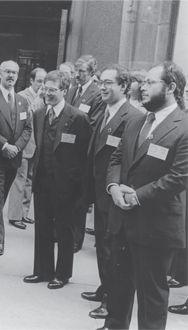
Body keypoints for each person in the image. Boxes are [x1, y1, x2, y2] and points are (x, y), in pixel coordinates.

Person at [101, 61, 188, 330]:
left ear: (171, 87)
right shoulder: (136, 120)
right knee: (118, 288)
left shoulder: (183, 126)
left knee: (151, 299)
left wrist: (135, 197)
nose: (143, 87)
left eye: (151, 83)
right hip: (123, 221)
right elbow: (116, 157)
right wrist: (114, 187)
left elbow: (179, 177)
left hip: (155, 226)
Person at [80, 65, 142, 320]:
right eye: (101, 82)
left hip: (113, 194)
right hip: (99, 190)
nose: (103, 87)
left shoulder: (131, 117)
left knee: (111, 249)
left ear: (124, 87)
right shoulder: (105, 111)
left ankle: (111, 300)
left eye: (109, 83)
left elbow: (124, 160)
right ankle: (105, 287)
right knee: (103, 245)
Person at [23, 70, 91, 289]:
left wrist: (81, 192)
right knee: (42, 227)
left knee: (64, 230)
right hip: (42, 181)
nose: (48, 93)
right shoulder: (40, 114)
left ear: (64, 90)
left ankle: (62, 274)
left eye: (53, 90)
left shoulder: (78, 118)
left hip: (66, 186)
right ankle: (42, 270)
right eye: (45, 89)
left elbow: (84, 158)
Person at [0, 60, 32, 256]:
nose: (11, 76)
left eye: (14, 73)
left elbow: (28, 128)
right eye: (7, 72)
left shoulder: (22, 101)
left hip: (14, 158)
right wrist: (4, 145)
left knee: (0, 198)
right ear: (0, 74)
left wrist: (17, 147)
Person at [66, 54, 104, 252]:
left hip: (82, 153)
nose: (77, 75)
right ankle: (64, 234)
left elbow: (92, 123)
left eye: (81, 71)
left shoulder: (97, 94)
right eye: (76, 71)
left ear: (91, 73)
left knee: (79, 199)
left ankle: (75, 239)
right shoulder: (72, 90)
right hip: (67, 151)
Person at [7, 67, 45, 230]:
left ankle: (24, 212)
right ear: (31, 81)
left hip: (38, 146)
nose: (42, 85)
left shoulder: (45, 97)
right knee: (19, 180)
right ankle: (14, 216)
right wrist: (37, 101)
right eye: (39, 81)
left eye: (44, 81)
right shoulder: (23, 96)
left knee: (30, 180)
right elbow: (21, 121)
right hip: (25, 145)